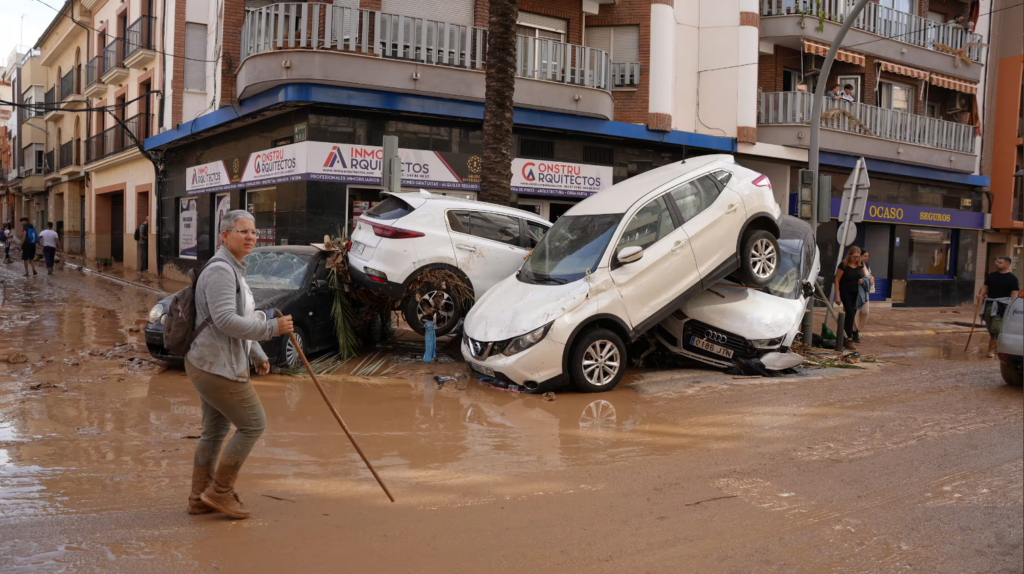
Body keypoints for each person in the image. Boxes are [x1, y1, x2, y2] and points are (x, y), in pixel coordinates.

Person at [185, 210, 294, 520]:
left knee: (215, 432)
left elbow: (236, 321)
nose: (250, 237)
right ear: (224, 236)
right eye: (242, 231)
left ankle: (198, 498)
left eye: (254, 232)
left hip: (208, 362)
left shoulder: (234, 269)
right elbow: (224, 321)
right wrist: (273, 329)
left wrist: (256, 353)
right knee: (253, 424)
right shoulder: (221, 270)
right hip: (217, 366)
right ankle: (219, 492)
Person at [976, 256, 1020, 358]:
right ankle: (997, 345)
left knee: (996, 327)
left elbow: (1014, 293)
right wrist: (980, 295)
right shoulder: (992, 275)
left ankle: (991, 350)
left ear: (1007, 265)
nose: (997, 264)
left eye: (1000, 262)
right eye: (997, 262)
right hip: (989, 303)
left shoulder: (1012, 278)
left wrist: (1012, 307)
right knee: (989, 325)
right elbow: (985, 287)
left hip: (1002, 305)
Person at [834, 246, 866, 351]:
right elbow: (837, 280)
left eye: (858, 257)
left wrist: (864, 281)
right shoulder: (843, 265)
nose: (856, 259)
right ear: (849, 255)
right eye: (854, 257)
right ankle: (849, 339)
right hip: (845, 293)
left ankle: (844, 336)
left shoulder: (860, 265)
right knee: (850, 313)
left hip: (856, 294)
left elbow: (865, 278)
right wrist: (837, 296)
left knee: (851, 316)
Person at [854, 250, 875, 337]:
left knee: (865, 312)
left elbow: (868, 275)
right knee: (856, 311)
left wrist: (871, 278)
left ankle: (859, 329)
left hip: (865, 291)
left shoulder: (865, 265)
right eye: (865, 256)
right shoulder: (855, 265)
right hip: (857, 291)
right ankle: (854, 331)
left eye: (867, 256)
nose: (866, 258)